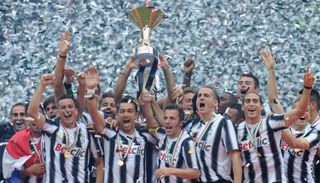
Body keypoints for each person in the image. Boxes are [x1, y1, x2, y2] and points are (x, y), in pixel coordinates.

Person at [235, 68, 314, 183]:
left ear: (262, 106)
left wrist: (307, 88)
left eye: (255, 101)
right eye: (248, 101)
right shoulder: (237, 129)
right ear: (242, 107)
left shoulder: (271, 122)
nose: (251, 104)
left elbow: (299, 111)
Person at [27, 73, 104, 183]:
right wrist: (42, 85)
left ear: (76, 111)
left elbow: (99, 161)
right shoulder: (51, 128)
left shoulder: (88, 131)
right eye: (62, 107)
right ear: (58, 112)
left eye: (70, 107)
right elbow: (32, 112)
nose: (67, 110)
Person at [85, 67, 157, 183]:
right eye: (122, 111)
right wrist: (90, 90)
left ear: (136, 115)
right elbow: (93, 112)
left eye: (130, 111)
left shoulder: (146, 136)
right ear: (117, 114)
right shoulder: (110, 133)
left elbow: (156, 126)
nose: (126, 114)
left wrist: (148, 102)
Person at [185, 86, 242, 183]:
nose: (201, 98)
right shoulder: (192, 124)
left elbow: (235, 156)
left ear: (215, 103)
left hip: (218, 180)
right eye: (199, 96)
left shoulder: (222, 122)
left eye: (206, 95)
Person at [281, 89, 320, 183]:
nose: (303, 113)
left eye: (306, 111)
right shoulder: (284, 130)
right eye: (300, 111)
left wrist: (279, 126)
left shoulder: (314, 133)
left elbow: (294, 143)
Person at [3, 104, 45, 182]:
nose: (35, 118)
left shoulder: (54, 134)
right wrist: (28, 171)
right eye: (15, 115)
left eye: (38, 114)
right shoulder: (14, 140)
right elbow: (9, 176)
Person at [0, 103, 28, 181]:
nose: (18, 118)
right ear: (10, 118)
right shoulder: (4, 134)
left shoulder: (37, 135)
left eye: (22, 114)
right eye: (15, 115)